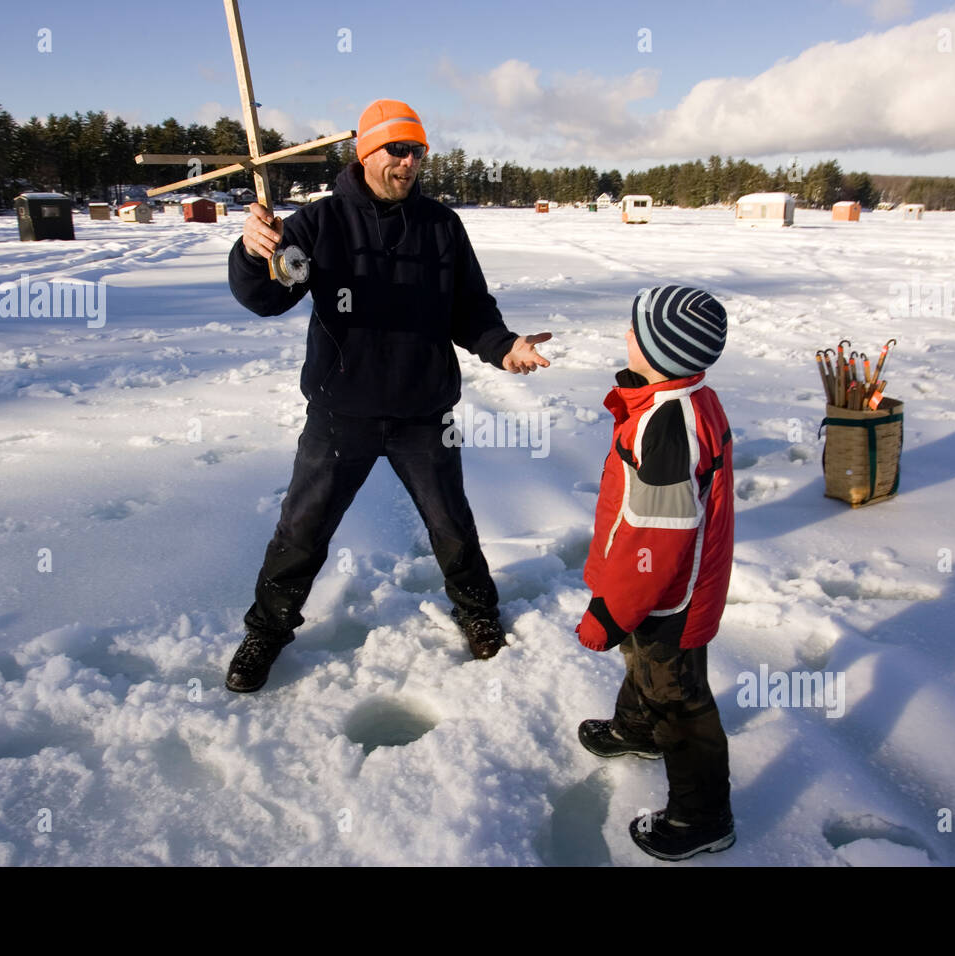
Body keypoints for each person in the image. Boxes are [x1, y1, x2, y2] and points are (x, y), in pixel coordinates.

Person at [224, 98, 551, 692]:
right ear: (365, 152)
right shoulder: (317, 224)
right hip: (338, 415)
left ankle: (478, 613)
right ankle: (266, 632)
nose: (408, 163)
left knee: (452, 525)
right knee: (300, 532)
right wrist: (253, 254)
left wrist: (504, 347)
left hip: (424, 414)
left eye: (417, 151)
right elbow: (268, 296)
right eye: (396, 150)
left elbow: (469, 309)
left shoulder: (441, 226)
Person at [573, 285, 736, 861]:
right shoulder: (678, 399)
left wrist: (610, 611)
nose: (625, 338)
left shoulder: (667, 425)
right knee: (642, 664)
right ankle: (635, 730)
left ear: (663, 352)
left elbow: (655, 542)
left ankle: (702, 816)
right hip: (660, 591)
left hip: (668, 597)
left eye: (635, 332)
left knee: (680, 701)